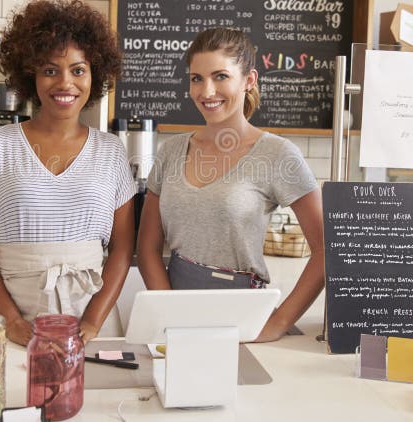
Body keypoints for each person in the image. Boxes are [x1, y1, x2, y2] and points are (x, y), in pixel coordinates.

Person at [0, 0, 136, 346]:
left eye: (78, 70)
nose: (65, 83)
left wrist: (92, 321)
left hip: (92, 320)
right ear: (31, 76)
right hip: (11, 316)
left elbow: (122, 247)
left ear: (95, 75)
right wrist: (12, 321)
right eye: (50, 70)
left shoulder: (111, 151)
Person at [136, 27, 325, 342]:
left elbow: (324, 250)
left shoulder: (277, 154)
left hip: (241, 315)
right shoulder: (171, 151)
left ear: (249, 80)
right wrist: (170, 313)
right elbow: (147, 248)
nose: (206, 91)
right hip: (175, 312)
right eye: (197, 78)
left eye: (220, 76)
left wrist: (278, 322)